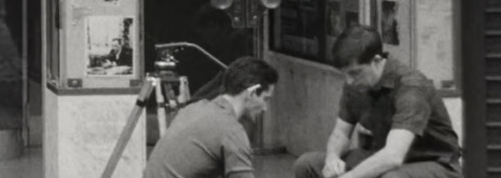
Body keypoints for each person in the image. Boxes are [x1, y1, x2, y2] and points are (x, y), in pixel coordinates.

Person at [294, 25, 461, 178]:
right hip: (382, 155)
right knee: (307, 164)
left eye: (355, 73)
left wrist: (350, 177)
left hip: (436, 164)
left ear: (376, 60)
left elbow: (393, 156)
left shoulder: (411, 87)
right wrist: (332, 158)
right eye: (345, 74)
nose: (349, 81)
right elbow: (341, 133)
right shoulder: (355, 84)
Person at [144, 57, 278, 178]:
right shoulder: (231, 131)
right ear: (252, 92)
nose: (265, 108)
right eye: (265, 99)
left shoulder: (194, 109)